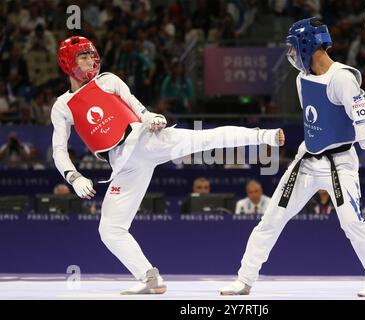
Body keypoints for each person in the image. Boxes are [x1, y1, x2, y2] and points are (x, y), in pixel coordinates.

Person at [51, 36, 284, 295]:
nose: (91, 60)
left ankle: (263, 136)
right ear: (67, 63)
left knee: (205, 139)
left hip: (146, 140)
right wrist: (74, 177)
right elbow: (59, 151)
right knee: (109, 229)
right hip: (124, 166)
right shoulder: (62, 106)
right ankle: (150, 278)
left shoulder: (108, 80)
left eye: (92, 55)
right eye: (83, 57)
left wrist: (153, 117)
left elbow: (138, 108)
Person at [219, 17, 365, 298]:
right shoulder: (302, 78)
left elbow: (361, 115)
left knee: (352, 222)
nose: (290, 53)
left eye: (293, 47)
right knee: (271, 219)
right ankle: (244, 280)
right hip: (307, 159)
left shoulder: (342, 78)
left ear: (306, 46)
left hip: (339, 162)